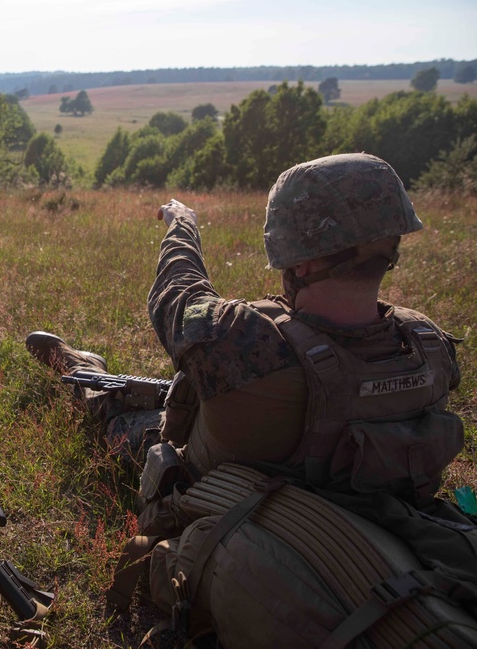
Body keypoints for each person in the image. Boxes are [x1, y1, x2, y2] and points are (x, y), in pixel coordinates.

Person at [26, 153, 467, 640]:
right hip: (367, 528)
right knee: (174, 392)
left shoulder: (247, 341)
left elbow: (176, 291)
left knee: (123, 417)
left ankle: (82, 370)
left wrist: (182, 224)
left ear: (299, 255)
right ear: (393, 239)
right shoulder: (429, 346)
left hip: (236, 496)